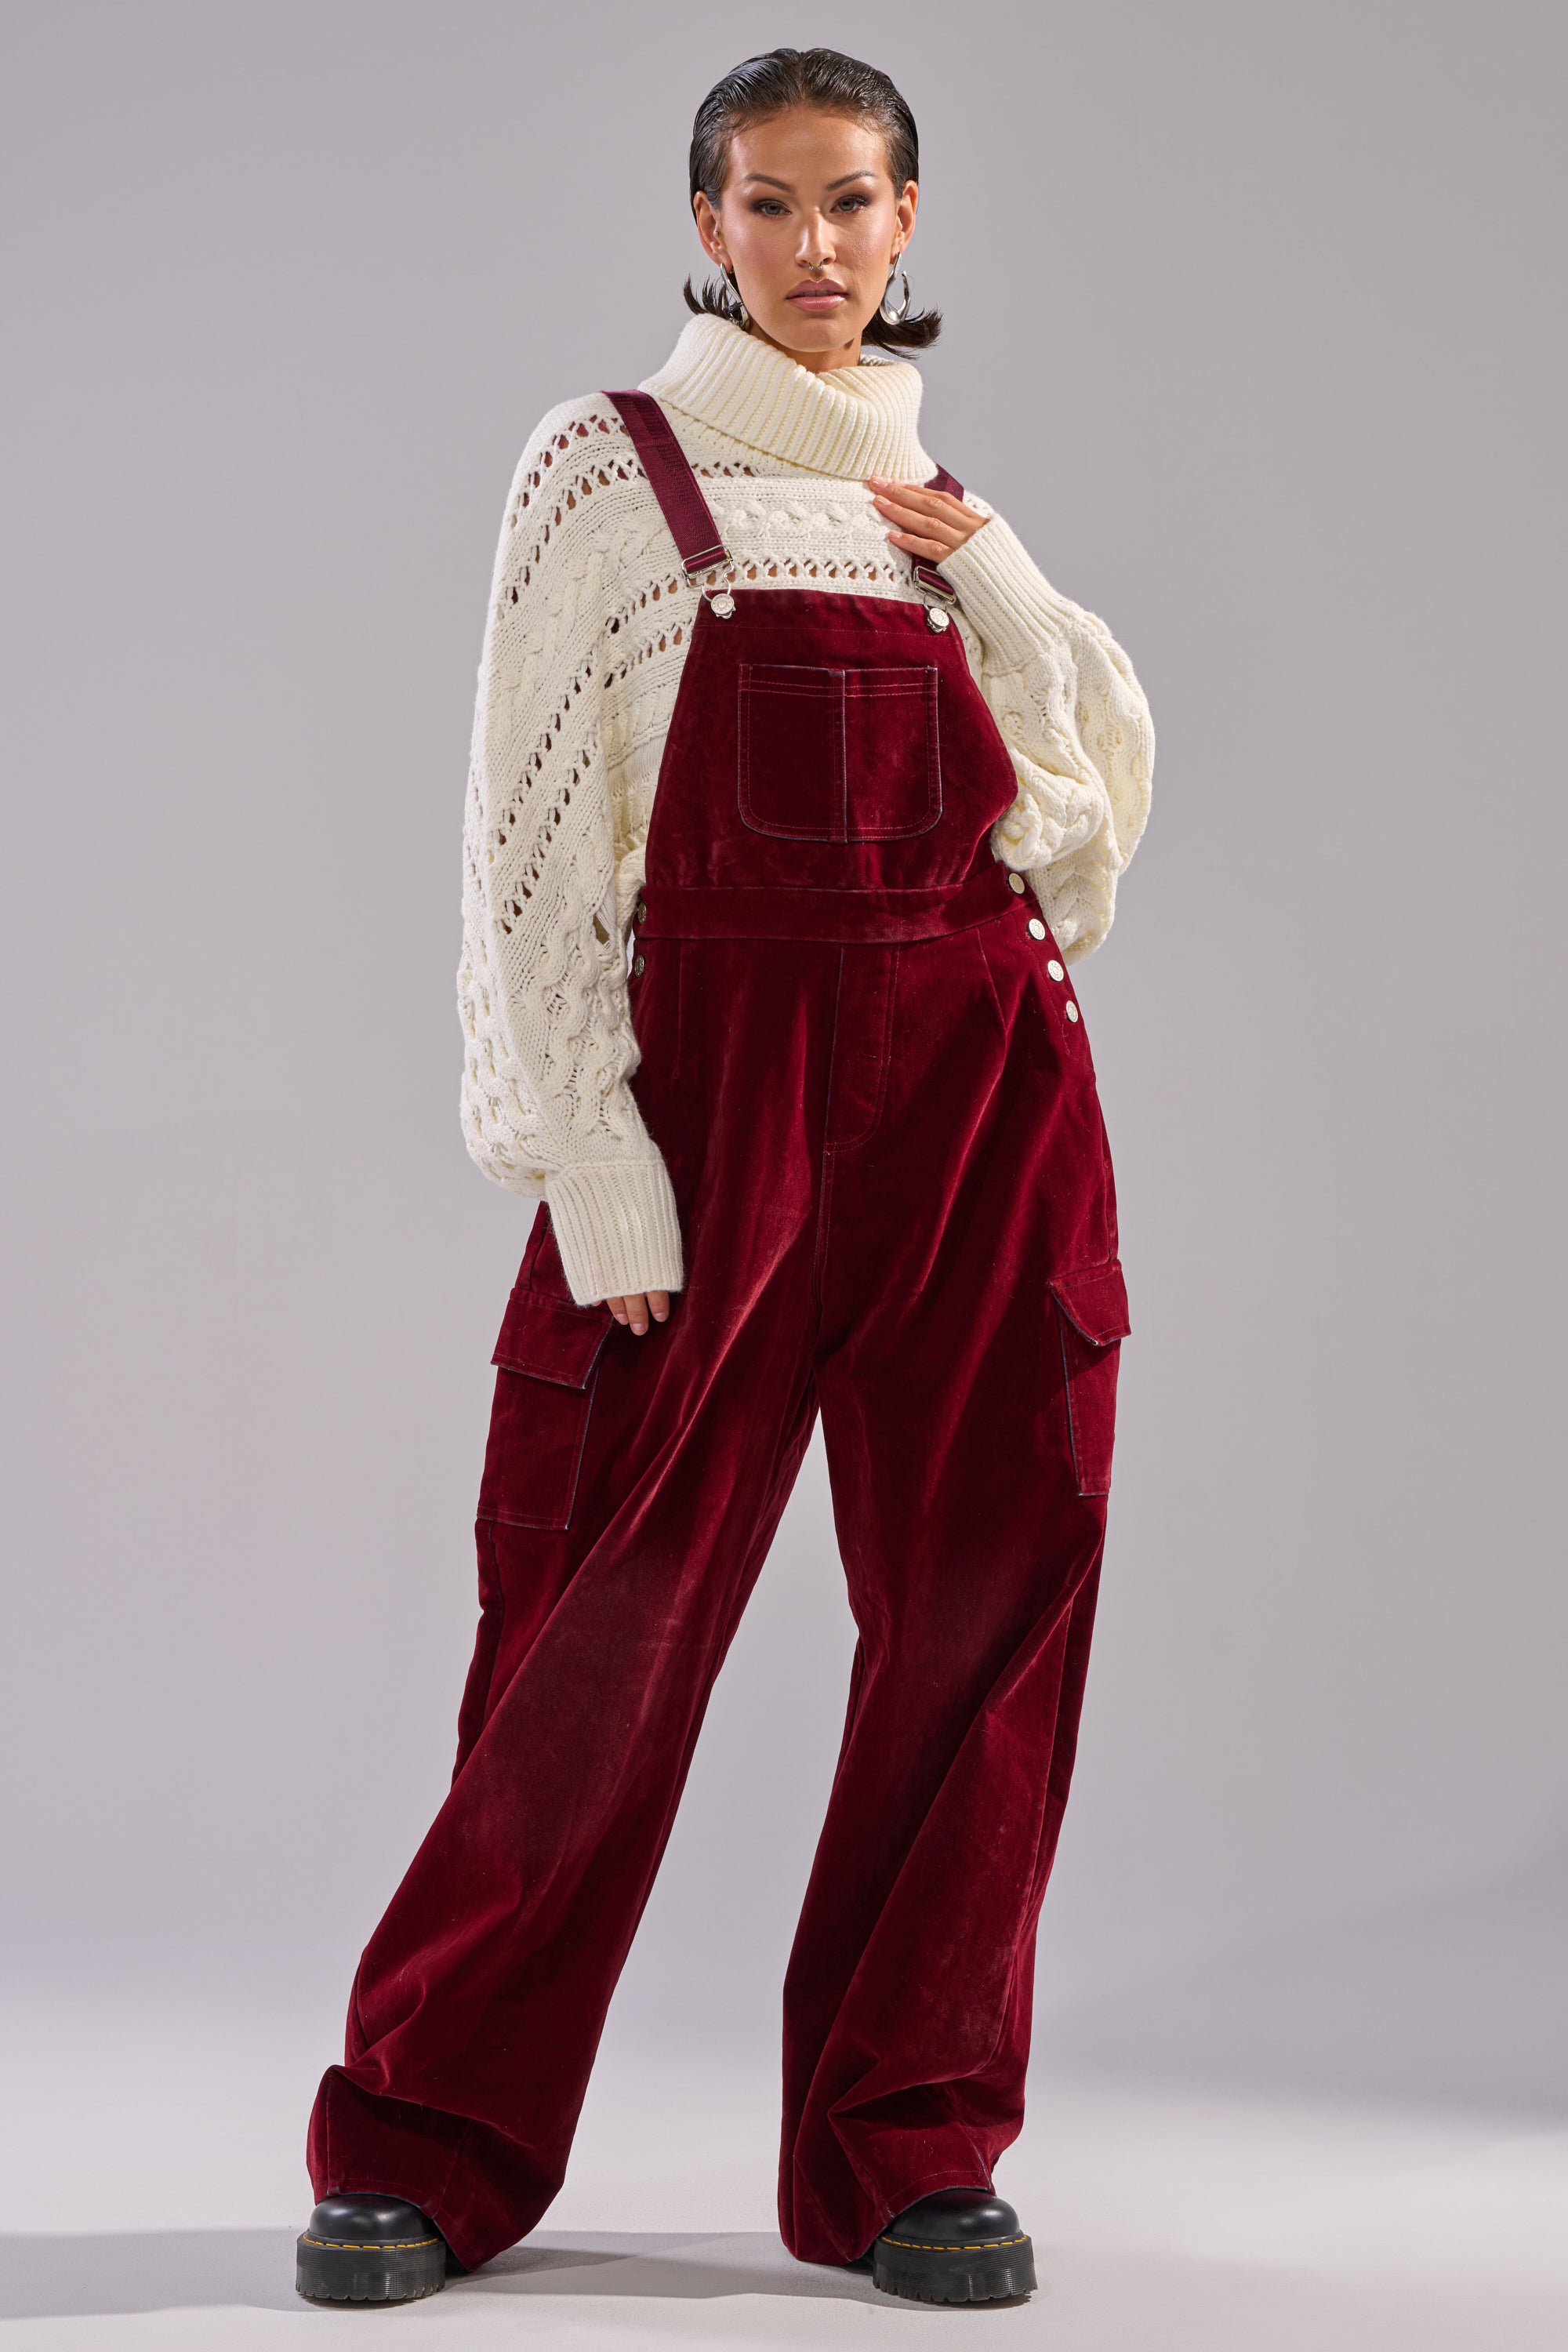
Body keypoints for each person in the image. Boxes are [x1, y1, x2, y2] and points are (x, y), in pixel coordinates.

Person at [295, 43, 1153, 2311]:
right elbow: (525, 853)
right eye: (767, 205)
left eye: (852, 202)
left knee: (985, 1613)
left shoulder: (938, 504)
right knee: (600, 1626)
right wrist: (599, 1165)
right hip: (711, 1114)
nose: (813, 246)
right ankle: (429, 2135)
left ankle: (908, 2147)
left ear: (909, 221)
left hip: (980, 1101)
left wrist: (1012, 582)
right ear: (706, 225)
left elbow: (1079, 839)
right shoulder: (612, 470)